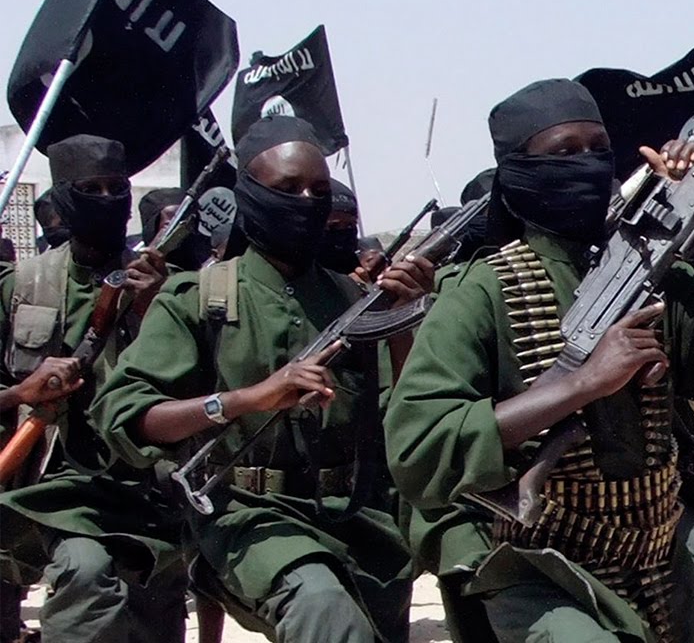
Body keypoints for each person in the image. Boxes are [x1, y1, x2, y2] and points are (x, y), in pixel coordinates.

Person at [382, 79, 694, 643]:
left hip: (652, 529)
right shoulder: (483, 289)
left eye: (599, 149)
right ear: (518, 171)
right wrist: (583, 383)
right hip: (533, 548)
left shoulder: (643, 274)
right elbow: (419, 447)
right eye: (564, 152)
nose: (587, 163)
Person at [94, 116, 434, 643]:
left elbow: (405, 416)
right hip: (246, 516)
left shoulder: (355, 301)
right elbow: (128, 417)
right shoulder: (200, 297)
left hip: (357, 520)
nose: (307, 201)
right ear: (250, 194)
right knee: (322, 606)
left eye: (319, 190)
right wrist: (248, 399)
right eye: (287, 189)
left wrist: (404, 321)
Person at [0, 135, 187, 643]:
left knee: (155, 613)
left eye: (116, 188)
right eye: (91, 189)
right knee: (84, 573)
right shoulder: (23, 285)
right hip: (57, 488)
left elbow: (207, 386)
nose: (107, 200)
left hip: (151, 487)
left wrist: (157, 309)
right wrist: (23, 393)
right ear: (63, 198)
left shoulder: (171, 288)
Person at [137, 187, 216, 272]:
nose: (184, 226)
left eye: (188, 219)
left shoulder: (210, 257)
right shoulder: (132, 255)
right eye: (173, 220)